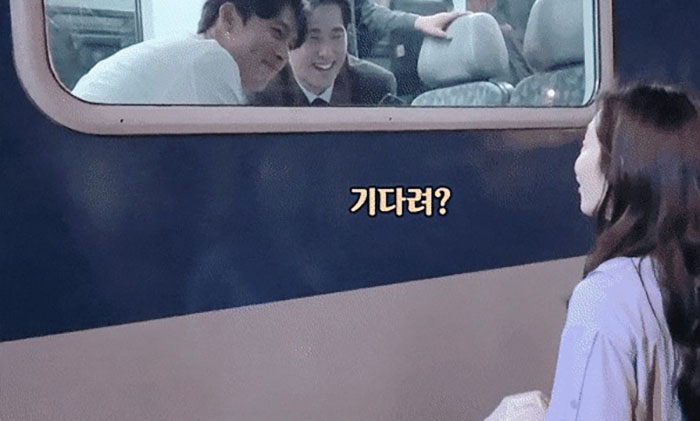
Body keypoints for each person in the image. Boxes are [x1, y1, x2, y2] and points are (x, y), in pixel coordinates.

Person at [547, 84, 700, 419]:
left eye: (586, 145)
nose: (577, 164)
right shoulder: (685, 273)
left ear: (624, 166)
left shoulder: (606, 297)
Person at [72, 0, 307, 105]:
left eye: (290, 46)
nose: (283, 56)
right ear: (229, 19)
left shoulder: (186, 55)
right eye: (277, 32)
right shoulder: (212, 60)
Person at [254, 0, 396, 106]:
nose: (326, 53)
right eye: (313, 38)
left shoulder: (375, 87)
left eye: (336, 36)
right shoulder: (259, 90)